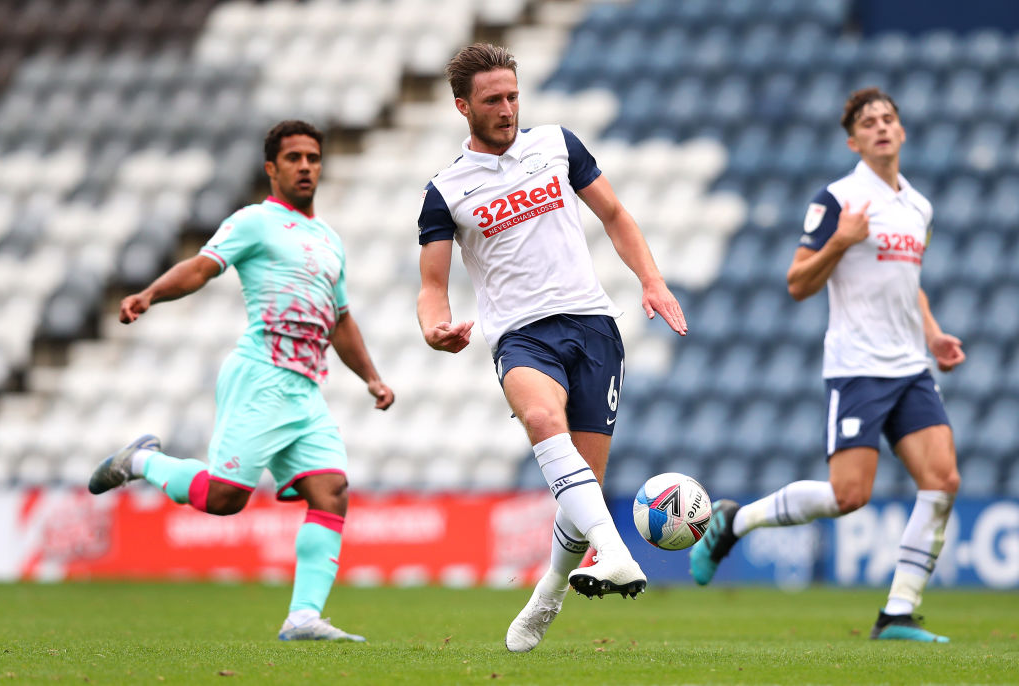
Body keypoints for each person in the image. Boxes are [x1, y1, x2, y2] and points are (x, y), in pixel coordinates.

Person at [415, 43, 688, 653]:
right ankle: (614, 551)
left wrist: (651, 278)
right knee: (542, 419)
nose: (508, 108)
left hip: (594, 328)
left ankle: (548, 594)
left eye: (513, 95)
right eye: (493, 100)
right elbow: (432, 287)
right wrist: (436, 327)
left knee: (580, 489)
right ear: (463, 107)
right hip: (522, 335)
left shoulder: (558, 145)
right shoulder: (446, 191)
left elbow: (616, 215)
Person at [88, 120, 393, 642]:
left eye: (313, 158)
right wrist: (149, 295)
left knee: (332, 489)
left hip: (304, 387)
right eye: (294, 158)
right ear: (272, 168)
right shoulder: (255, 221)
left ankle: (303, 618)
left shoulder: (329, 240)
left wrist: (371, 377)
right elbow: (202, 267)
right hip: (261, 376)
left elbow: (340, 318)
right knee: (225, 498)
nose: (305, 166)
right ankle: (139, 460)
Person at [689, 88, 965, 643]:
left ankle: (898, 614)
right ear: (853, 140)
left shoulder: (918, 206)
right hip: (858, 366)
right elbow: (797, 283)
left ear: (902, 132)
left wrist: (933, 336)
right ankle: (735, 521)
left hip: (910, 366)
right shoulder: (838, 199)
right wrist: (840, 242)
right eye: (869, 122)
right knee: (849, 496)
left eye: (889, 119)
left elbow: (909, 286)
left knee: (943, 480)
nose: (882, 127)